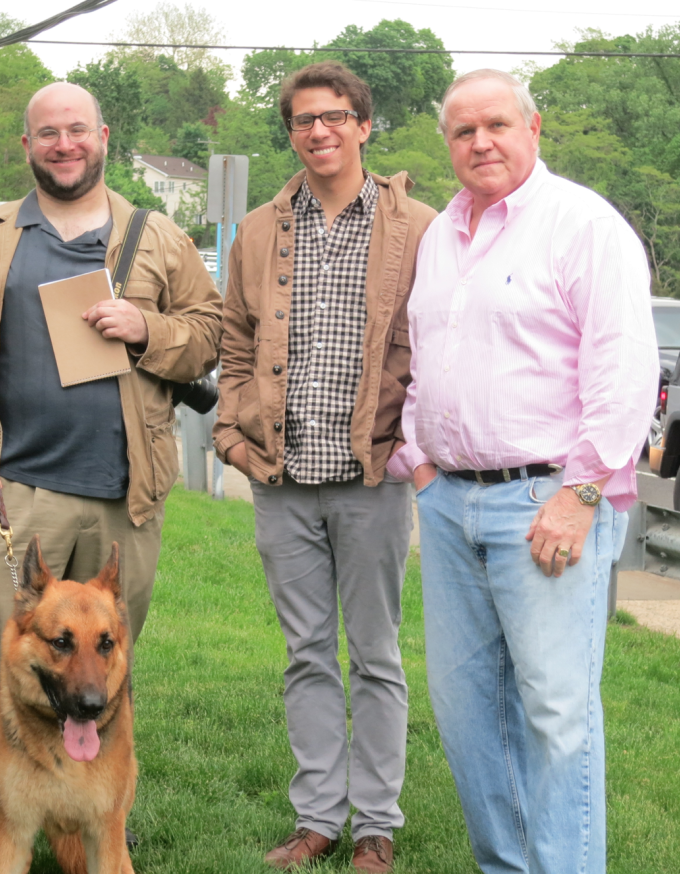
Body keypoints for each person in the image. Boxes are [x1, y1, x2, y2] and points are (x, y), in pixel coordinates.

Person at [0, 81, 223, 866]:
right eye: (47, 133)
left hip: (127, 490)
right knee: (0, 650)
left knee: (98, 660)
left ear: (103, 136)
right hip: (16, 488)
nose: (64, 144)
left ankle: (93, 802)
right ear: (27, 146)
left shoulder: (158, 236)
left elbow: (208, 335)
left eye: (77, 131)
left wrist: (145, 326)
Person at [386, 69, 658, 874]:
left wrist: (580, 494)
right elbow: (424, 353)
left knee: (554, 714)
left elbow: (623, 368)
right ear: (448, 144)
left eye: (496, 125)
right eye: (463, 131)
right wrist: (420, 462)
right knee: (467, 716)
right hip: (450, 505)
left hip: (550, 501)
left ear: (533, 128)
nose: (481, 142)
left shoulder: (583, 225)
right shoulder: (443, 236)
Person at [214, 62, 436, 873]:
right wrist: (233, 441)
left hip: (371, 478)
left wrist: (414, 447)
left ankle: (375, 822)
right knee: (306, 653)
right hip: (281, 479)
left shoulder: (418, 225)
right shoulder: (262, 229)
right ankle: (317, 819)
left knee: (376, 655)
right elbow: (235, 343)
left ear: (364, 126)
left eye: (335, 117)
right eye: (303, 120)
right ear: (291, 132)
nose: (319, 132)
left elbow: (438, 347)